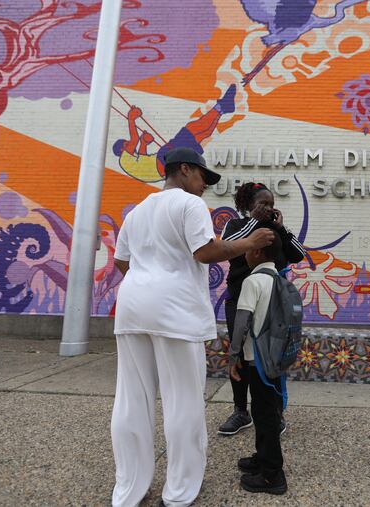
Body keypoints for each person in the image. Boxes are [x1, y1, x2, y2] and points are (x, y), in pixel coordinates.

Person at [110, 147, 275, 507]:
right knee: (182, 400)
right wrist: (252, 241)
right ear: (184, 170)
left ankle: (127, 492)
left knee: (130, 400)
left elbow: (122, 260)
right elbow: (205, 251)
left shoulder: (137, 211)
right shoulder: (188, 205)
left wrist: (147, 279)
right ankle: (180, 492)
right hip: (174, 312)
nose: (204, 187)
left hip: (133, 307)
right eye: (202, 177)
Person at [217, 182, 306, 436]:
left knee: (272, 353)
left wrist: (281, 228)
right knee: (240, 354)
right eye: (262, 204)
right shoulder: (236, 225)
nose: (268, 208)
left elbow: (299, 254)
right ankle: (240, 411)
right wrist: (252, 222)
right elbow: (226, 246)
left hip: (273, 301)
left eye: (271, 203)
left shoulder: (275, 229)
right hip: (239, 299)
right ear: (248, 205)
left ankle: (273, 412)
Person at [229, 223, 288, 495]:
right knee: (267, 412)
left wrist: (233, 356)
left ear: (256, 253)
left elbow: (241, 323)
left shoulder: (253, 282)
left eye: (250, 248)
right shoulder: (281, 281)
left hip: (257, 362)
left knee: (263, 415)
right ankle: (262, 458)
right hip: (276, 362)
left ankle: (272, 476)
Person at [113, 84, 237, 182]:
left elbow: (143, 158)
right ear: (123, 147)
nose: (130, 144)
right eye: (127, 143)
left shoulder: (130, 164)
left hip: (165, 167)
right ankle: (221, 106)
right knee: (191, 129)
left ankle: (223, 109)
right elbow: (134, 139)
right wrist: (131, 118)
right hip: (163, 159)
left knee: (200, 136)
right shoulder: (125, 157)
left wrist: (144, 142)